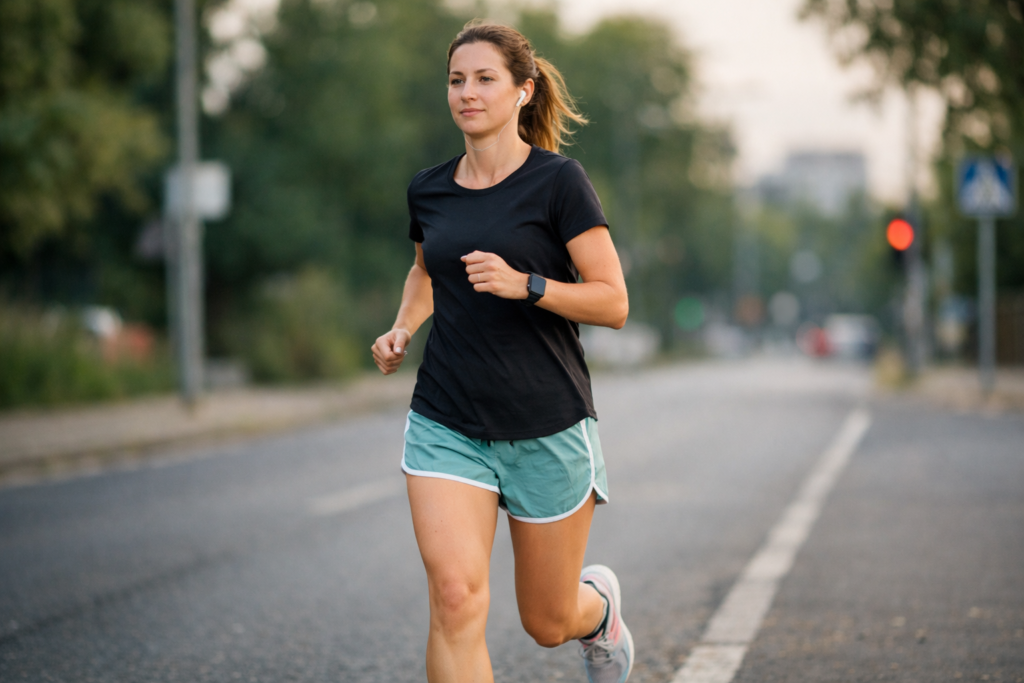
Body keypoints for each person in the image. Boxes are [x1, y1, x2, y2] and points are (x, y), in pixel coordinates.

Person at [371, 20, 632, 683]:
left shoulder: (559, 183)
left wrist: (528, 285)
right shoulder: (429, 188)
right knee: (454, 599)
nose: (467, 92)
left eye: (485, 78)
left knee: (547, 620)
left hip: (546, 422)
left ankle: (598, 611)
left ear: (523, 90)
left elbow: (612, 302)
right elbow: (427, 271)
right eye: (456, 80)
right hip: (447, 419)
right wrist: (403, 327)